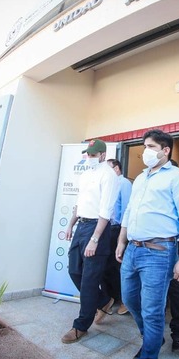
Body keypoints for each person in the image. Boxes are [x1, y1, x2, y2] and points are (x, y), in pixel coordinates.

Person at [117, 129, 179, 359]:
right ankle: (152, 337)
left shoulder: (178, 177)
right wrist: (122, 240)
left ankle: (149, 352)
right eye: (144, 146)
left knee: (152, 311)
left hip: (159, 252)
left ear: (165, 150)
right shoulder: (141, 178)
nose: (145, 151)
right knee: (130, 300)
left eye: (151, 147)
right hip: (133, 249)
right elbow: (130, 211)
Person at [61, 139, 119, 344]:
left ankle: (81, 326)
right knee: (74, 270)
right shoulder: (85, 174)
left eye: (94, 155)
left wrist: (95, 239)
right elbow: (80, 203)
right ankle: (104, 300)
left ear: (103, 155)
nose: (90, 158)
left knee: (89, 280)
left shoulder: (109, 176)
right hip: (81, 226)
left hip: (98, 228)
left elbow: (106, 210)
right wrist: (70, 224)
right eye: (88, 154)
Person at [102, 158, 132, 316]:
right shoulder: (109, 184)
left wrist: (123, 233)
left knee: (118, 266)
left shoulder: (124, 183)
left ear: (117, 169)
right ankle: (110, 298)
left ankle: (124, 301)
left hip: (118, 229)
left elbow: (128, 208)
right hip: (106, 228)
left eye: (110, 168)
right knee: (106, 266)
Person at [164, 159, 179, 353]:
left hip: (176, 245)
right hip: (155, 248)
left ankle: (178, 336)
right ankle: (153, 334)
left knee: (177, 290)